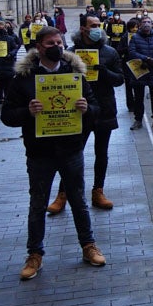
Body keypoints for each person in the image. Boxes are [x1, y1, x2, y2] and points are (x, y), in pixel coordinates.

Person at [2, 26, 104, 279]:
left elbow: (96, 108)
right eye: (50, 43)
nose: (56, 47)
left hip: (71, 149)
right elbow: (7, 116)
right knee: (38, 204)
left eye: (59, 42)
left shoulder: (75, 75)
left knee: (78, 200)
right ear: (38, 47)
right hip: (40, 153)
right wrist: (27, 111)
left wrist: (86, 108)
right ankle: (35, 254)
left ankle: (88, 245)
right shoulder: (24, 79)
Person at [50, 14, 125, 213]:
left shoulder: (109, 52)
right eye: (93, 25)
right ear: (82, 28)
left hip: (104, 109)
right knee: (72, 154)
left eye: (99, 26)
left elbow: (119, 79)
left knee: (102, 153)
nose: (97, 29)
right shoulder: (70, 53)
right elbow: (58, 79)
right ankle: (63, 193)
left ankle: (98, 191)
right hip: (78, 111)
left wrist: (104, 72)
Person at [127, 17, 153, 130]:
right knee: (138, 98)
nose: (146, 24)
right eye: (144, 22)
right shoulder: (135, 38)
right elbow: (132, 52)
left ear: (152, 24)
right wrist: (146, 59)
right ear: (140, 25)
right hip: (140, 71)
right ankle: (138, 120)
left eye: (148, 22)